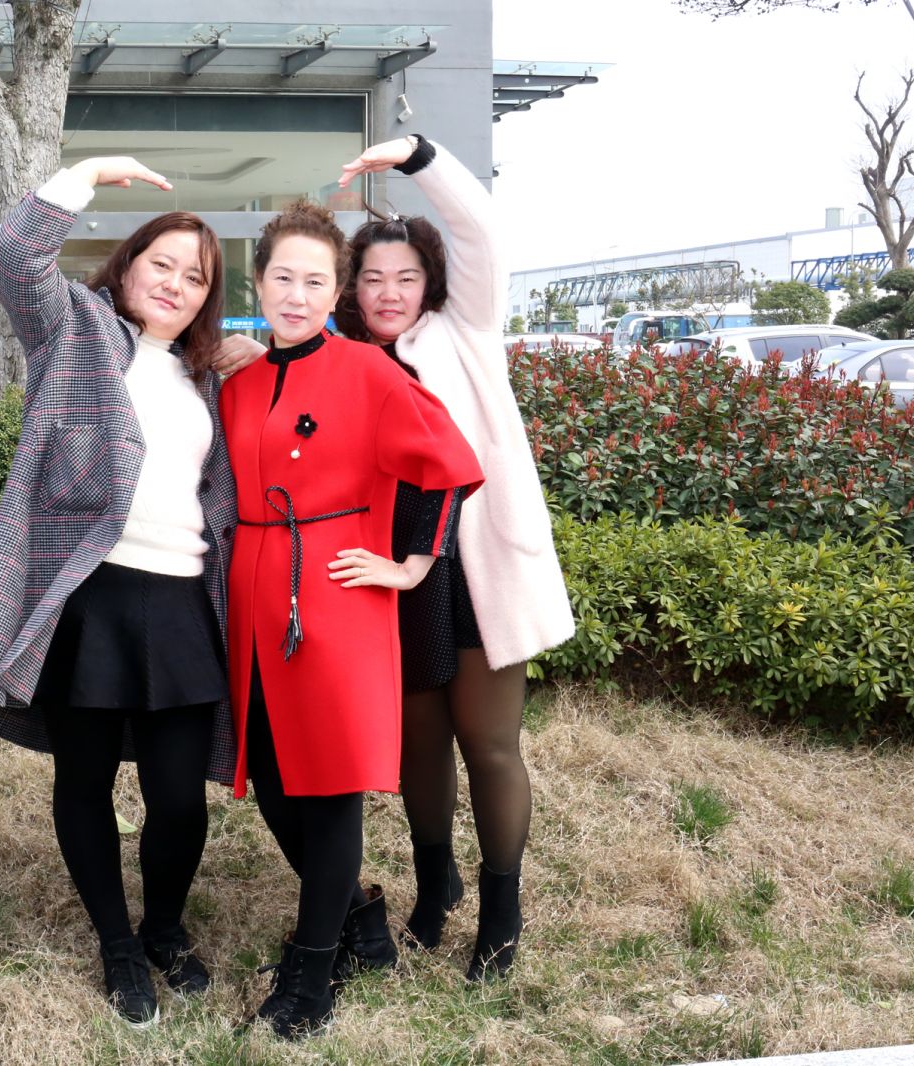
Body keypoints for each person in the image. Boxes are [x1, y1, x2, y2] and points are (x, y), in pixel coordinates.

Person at [0, 156, 237, 1028]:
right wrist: (87, 175)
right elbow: (13, 256)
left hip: (182, 601)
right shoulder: (74, 329)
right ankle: (118, 947)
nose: (174, 284)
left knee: (179, 796)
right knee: (86, 781)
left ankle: (165, 929)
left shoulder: (208, 376)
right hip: (91, 598)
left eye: (194, 277)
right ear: (127, 265)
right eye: (161, 264)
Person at [220, 200, 483, 1038]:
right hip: (252, 595)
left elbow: (448, 462)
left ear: (336, 291)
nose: (296, 295)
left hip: (333, 592)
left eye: (315, 281)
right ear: (258, 282)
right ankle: (362, 917)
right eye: (283, 278)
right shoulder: (240, 380)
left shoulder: (369, 371)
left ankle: (312, 974)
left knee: (328, 784)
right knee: (270, 775)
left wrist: (411, 564)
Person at [334, 134, 576, 981]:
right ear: (351, 288)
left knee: (489, 742)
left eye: (405, 278)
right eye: (372, 278)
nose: (388, 293)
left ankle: (502, 911)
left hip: (473, 570)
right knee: (418, 746)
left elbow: (481, 230)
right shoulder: (341, 358)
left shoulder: (464, 330)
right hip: (388, 573)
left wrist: (418, 156)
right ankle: (435, 884)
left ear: (429, 283)